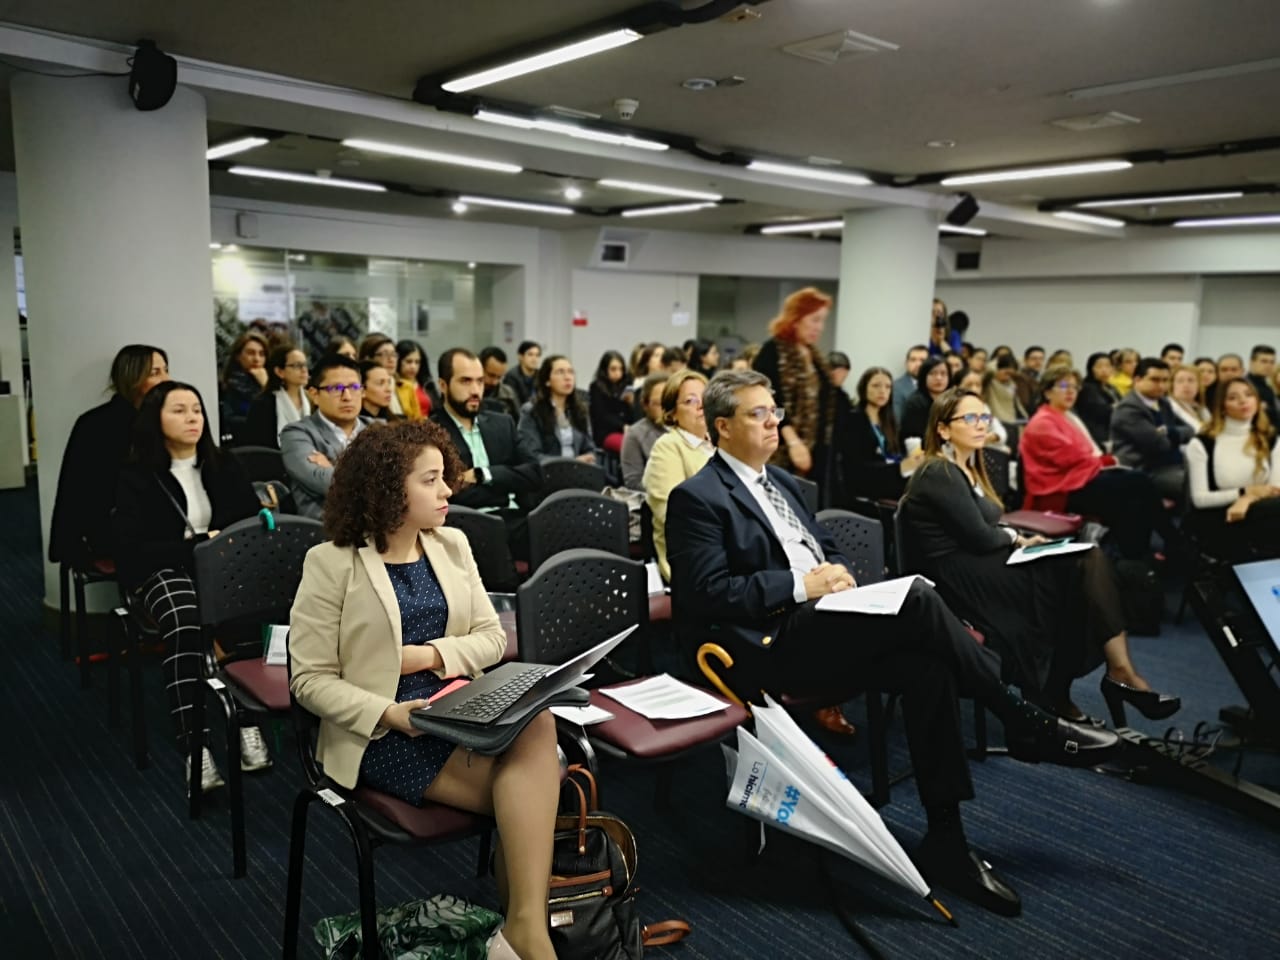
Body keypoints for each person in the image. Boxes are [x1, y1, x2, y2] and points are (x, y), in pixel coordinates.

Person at [665, 369, 1119, 917]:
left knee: (928, 666)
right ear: (721, 426)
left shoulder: (781, 483)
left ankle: (947, 839)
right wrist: (799, 584)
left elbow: (822, 542)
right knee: (920, 600)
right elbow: (703, 593)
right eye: (758, 414)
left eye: (775, 412)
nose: (773, 423)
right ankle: (1025, 719)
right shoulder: (697, 496)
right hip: (771, 639)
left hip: (825, 619)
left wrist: (834, 572)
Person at [289, 420, 560, 960]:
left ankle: (524, 932)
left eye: (446, 477)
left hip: (458, 705)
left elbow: (490, 638)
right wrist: (390, 713)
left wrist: (430, 656)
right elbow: (308, 680)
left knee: (541, 724)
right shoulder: (331, 563)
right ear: (389, 489)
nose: (448, 491)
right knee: (537, 785)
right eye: (431, 480)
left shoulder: (452, 545)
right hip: (381, 730)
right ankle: (528, 936)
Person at [901, 388, 1180, 725]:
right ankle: (1088, 683)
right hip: (955, 575)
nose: (980, 425)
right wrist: (1015, 536)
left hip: (984, 561)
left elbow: (986, 523)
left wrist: (1015, 537)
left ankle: (1098, 677)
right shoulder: (937, 471)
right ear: (943, 429)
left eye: (984, 417)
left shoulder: (970, 468)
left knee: (1086, 560)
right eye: (970, 418)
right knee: (1074, 575)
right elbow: (978, 535)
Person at [114, 381, 267, 791]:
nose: (192, 418)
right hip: (163, 572)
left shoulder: (223, 465)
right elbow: (131, 551)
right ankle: (195, 747)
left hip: (220, 570)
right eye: (178, 410)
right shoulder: (136, 475)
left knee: (256, 607)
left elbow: (247, 524)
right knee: (186, 620)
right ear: (155, 419)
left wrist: (220, 545)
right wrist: (198, 545)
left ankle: (245, 718)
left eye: (196, 410)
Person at [1020, 365, 1163, 561]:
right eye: (1063, 385)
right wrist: (1103, 461)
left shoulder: (1067, 417)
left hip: (1079, 477)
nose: (1071, 391)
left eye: (1075, 387)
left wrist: (1100, 461)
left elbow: (1084, 456)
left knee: (1135, 495)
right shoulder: (1042, 422)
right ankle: (1148, 553)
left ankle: (1134, 560)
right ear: (1047, 391)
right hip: (1058, 489)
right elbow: (1071, 458)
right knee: (1137, 484)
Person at [50, 344, 170, 569]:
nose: (166, 379)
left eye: (166, 370)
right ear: (132, 377)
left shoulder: (167, 420)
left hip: (156, 526)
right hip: (114, 530)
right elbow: (81, 492)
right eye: (155, 372)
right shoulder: (98, 425)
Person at [431, 349, 541, 552]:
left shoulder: (502, 423)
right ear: (443, 385)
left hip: (518, 517)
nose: (475, 390)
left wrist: (484, 474)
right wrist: (507, 484)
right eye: (465, 381)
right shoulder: (432, 433)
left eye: (480, 381)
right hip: (470, 525)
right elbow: (452, 491)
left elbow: (534, 473)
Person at [752, 287, 842, 501]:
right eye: (814, 320)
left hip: (816, 449)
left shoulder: (814, 355)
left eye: (822, 321)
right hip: (780, 449)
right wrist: (793, 441)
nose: (819, 328)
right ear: (796, 319)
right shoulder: (772, 352)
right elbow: (770, 401)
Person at [1184, 377, 1280, 562]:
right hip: (1221, 516)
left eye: (1248, 395)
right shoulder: (1202, 443)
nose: (1243, 401)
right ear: (1221, 406)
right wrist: (1243, 493)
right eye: (1233, 397)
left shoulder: (1271, 439)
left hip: (1262, 510)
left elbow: (1275, 488)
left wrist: (1248, 497)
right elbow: (1199, 499)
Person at [643, 370, 712, 583]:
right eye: (690, 401)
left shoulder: (722, 443)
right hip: (692, 558)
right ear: (672, 413)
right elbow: (673, 516)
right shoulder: (667, 447)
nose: (701, 405)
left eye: (705, 398)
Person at [281, 355, 367, 519]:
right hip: (323, 532)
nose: (347, 396)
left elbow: (402, 482)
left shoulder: (377, 428)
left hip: (378, 531)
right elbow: (325, 483)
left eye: (354, 387)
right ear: (314, 394)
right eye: (336, 389)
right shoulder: (296, 434)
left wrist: (334, 467)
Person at [1110, 358, 1194, 499]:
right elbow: (1159, 445)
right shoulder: (1128, 409)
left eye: (1165, 380)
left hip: (1170, 465)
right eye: (1154, 380)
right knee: (1192, 486)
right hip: (1143, 470)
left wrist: (1168, 431)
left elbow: (1190, 430)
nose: (1161, 385)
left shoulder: (1162, 402)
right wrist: (1173, 436)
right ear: (1137, 380)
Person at [845, 366, 920, 500]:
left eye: (887, 387)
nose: (882, 391)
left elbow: (895, 454)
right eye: (876, 386)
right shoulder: (854, 419)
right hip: (865, 489)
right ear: (864, 389)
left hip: (890, 485)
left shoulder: (890, 421)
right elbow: (856, 468)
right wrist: (900, 467)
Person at [518, 355, 597, 463]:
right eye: (560, 372)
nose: (567, 377)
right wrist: (571, 462)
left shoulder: (579, 410)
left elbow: (589, 448)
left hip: (579, 472)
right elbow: (531, 455)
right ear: (547, 381)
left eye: (570, 372)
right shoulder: (531, 411)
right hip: (547, 474)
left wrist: (588, 458)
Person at [242, 344, 311, 448]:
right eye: (297, 365)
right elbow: (256, 446)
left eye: (305, 365)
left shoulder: (312, 400)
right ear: (279, 372)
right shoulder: (263, 404)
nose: (304, 370)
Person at [620, 372, 669, 491]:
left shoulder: (688, 429)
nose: (665, 408)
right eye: (658, 403)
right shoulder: (635, 434)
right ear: (645, 405)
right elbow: (633, 483)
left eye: (669, 401)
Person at [219, 331, 268, 443]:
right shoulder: (228, 386)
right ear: (238, 356)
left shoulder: (269, 382)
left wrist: (266, 385)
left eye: (262, 354)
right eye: (251, 353)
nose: (257, 359)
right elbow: (229, 419)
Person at [587, 350, 635, 453]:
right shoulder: (596, 387)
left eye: (621, 369)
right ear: (605, 370)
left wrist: (631, 404)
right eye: (613, 369)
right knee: (630, 447)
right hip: (606, 433)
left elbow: (631, 416)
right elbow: (601, 415)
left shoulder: (626, 386)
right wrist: (622, 426)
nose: (618, 373)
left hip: (627, 431)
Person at [900, 355, 951, 443]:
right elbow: (914, 437)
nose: (939, 378)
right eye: (933, 373)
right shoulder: (915, 402)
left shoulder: (953, 400)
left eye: (943, 374)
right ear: (924, 376)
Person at [1075, 352, 1122, 447]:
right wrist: (1115, 407)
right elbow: (1100, 411)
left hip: (1113, 431)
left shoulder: (1111, 388)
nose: (1104, 370)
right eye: (1099, 366)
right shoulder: (1087, 388)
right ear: (1091, 369)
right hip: (1096, 434)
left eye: (1108, 366)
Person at [956, 370, 1008, 448]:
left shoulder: (984, 407)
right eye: (968, 385)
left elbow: (1000, 432)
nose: (974, 389)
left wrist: (993, 437)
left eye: (978, 385)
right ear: (956, 387)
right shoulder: (953, 408)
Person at [358, 334, 404, 417]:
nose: (391, 359)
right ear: (368, 358)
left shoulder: (403, 386)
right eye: (384, 354)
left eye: (394, 354)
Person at [982, 354, 1027, 426]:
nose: (1007, 374)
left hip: (1014, 422)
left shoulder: (1013, 384)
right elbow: (989, 370)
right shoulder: (989, 382)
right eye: (1005, 370)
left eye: (1010, 373)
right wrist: (999, 360)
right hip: (996, 422)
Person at [479, 346, 521, 420]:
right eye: (491, 375)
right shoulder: (466, 393)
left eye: (499, 377)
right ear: (479, 368)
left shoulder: (508, 394)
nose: (495, 382)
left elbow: (516, 423)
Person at [1169, 364, 1211, 434]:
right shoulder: (1168, 406)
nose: (1186, 385)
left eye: (1191, 380)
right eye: (1180, 381)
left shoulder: (1201, 407)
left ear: (1199, 385)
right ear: (1172, 385)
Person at [394, 340, 427, 420]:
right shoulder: (393, 385)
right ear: (398, 361)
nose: (413, 366)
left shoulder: (425, 384)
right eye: (408, 361)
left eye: (417, 362)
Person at [1247, 344, 1279, 424]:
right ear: (1251, 362)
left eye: (1272, 362)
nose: (1269, 365)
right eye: (1264, 361)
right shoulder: (1245, 386)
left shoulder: (1270, 387)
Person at [503, 340, 541, 406]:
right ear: (520, 356)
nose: (534, 359)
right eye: (530, 354)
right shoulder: (512, 376)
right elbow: (514, 404)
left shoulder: (541, 375)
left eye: (537, 355)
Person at [1014, 345, 1045, 414]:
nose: (1038, 362)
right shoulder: (1021, 378)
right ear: (1026, 361)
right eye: (1034, 359)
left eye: (1041, 359)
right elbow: (1026, 403)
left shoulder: (1044, 377)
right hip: (1032, 415)